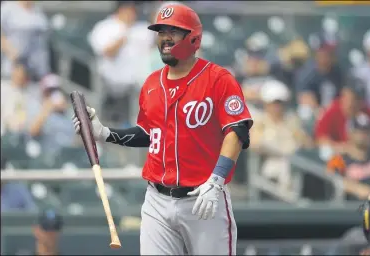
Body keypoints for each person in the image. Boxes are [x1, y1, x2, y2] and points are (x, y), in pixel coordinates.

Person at [73, 3, 252, 255]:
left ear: (193, 37)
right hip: (157, 200)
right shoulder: (151, 83)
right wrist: (105, 133)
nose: (165, 37)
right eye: (161, 31)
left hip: (203, 198)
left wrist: (217, 180)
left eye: (173, 31)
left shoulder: (217, 78)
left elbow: (237, 129)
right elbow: (149, 133)